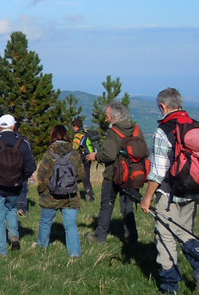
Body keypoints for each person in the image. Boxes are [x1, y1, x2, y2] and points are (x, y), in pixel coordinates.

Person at [140, 88, 199, 295]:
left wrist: (147, 198)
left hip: (169, 194)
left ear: (163, 107)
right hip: (194, 191)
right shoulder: (195, 126)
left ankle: (170, 288)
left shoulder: (163, 131)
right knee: (185, 232)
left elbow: (157, 172)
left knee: (166, 237)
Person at [85, 103, 148, 244]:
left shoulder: (113, 132)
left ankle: (100, 236)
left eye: (107, 116)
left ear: (114, 117)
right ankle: (132, 237)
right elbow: (145, 151)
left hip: (113, 175)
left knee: (107, 205)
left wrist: (96, 156)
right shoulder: (137, 130)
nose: (106, 119)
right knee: (128, 207)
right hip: (133, 175)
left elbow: (109, 156)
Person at [0, 114, 36, 255]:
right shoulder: (23, 143)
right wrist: (21, 178)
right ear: (14, 126)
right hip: (15, 185)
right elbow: (31, 166)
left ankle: (1, 250)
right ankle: (14, 236)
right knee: (11, 210)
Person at [35, 125, 85, 257]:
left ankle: (42, 249)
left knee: (46, 222)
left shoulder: (48, 154)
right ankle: (74, 254)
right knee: (71, 226)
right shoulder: (75, 154)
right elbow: (81, 175)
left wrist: (41, 191)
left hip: (50, 196)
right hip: (71, 196)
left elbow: (41, 178)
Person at [71, 117, 96, 201]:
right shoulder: (85, 133)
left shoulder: (78, 135)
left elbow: (74, 148)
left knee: (73, 176)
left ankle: (73, 195)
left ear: (75, 126)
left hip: (81, 158)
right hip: (88, 157)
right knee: (86, 178)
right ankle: (90, 197)